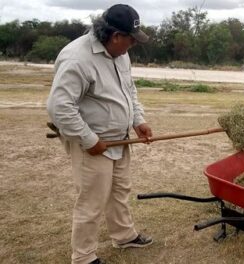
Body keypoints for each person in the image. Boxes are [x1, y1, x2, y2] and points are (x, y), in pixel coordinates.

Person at [47, 4, 153, 264]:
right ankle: (83, 257)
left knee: (119, 190)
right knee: (92, 200)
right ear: (116, 36)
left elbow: (129, 89)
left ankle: (124, 236)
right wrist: (89, 140)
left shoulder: (121, 55)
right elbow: (59, 107)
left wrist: (138, 119)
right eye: (131, 40)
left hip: (119, 138)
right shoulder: (77, 58)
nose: (133, 45)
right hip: (93, 143)